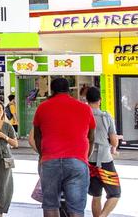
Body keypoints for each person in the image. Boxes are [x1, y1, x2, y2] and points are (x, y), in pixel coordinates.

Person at [33, 77, 96, 217]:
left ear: (52, 90)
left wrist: (43, 154)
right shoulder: (85, 108)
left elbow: (37, 136)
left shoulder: (43, 107)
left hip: (50, 162)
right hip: (77, 162)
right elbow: (91, 137)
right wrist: (85, 157)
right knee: (76, 209)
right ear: (69, 90)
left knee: (50, 206)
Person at [86, 86, 121, 217]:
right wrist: (114, 147)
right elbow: (113, 141)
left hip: (89, 161)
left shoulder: (83, 115)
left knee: (96, 195)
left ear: (86, 100)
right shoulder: (106, 116)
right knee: (115, 193)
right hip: (105, 161)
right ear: (99, 100)